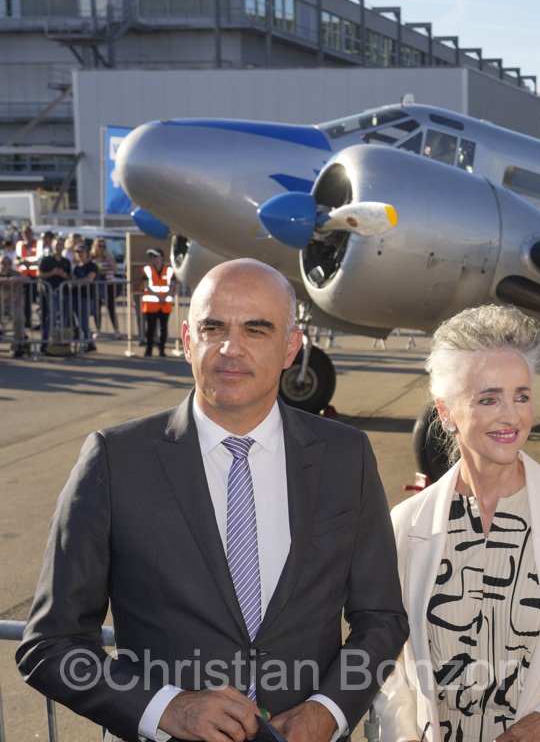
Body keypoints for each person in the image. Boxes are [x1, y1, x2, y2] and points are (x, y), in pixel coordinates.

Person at [17, 258, 408, 742]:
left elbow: (382, 620)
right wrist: (166, 708)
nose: (230, 348)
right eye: (213, 327)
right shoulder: (116, 460)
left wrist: (328, 710)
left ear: (291, 347)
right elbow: (51, 644)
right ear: (186, 340)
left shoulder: (347, 456)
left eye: (256, 330)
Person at [377, 304, 540, 742]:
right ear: (445, 412)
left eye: (522, 396)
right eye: (488, 398)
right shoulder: (407, 524)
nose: (511, 416)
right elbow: (391, 661)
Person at [37, 236, 70, 351]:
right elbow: (39, 275)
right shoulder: (46, 259)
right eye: (57, 244)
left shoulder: (66, 261)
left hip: (64, 294)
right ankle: (45, 344)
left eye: (61, 244)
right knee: (51, 318)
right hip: (51, 293)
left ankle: (61, 345)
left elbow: (70, 277)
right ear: (52, 245)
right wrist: (52, 272)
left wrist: (65, 276)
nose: (58, 247)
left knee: (64, 319)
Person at [142, 247, 174, 356]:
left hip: (165, 304)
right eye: (151, 256)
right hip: (151, 304)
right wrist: (159, 297)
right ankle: (148, 349)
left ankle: (162, 350)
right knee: (150, 328)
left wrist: (164, 297)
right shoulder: (147, 269)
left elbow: (172, 286)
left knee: (163, 328)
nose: (153, 258)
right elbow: (146, 286)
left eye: (155, 256)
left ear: (162, 257)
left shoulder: (169, 270)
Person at [70, 242, 100, 352]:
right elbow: (72, 280)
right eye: (77, 252)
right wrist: (78, 282)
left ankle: (89, 343)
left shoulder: (92, 266)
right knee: (78, 322)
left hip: (86, 297)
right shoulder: (76, 267)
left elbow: (88, 279)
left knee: (84, 322)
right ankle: (87, 342)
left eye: (82, 252)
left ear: (87, 253)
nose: (79, 254)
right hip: (75, 296)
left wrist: (77, 282)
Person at [0, 254, 30, 357]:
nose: (3, 266)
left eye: (6, 264)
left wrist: (15, 280)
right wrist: (4, 281)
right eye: (1, 264)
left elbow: (27, 278)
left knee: (19, 318)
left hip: (13, 303)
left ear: (10, 265)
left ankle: (16, 345)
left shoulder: (14, 273)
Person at [92, 236, 120, 333]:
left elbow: (115, 269)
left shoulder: (109, 257)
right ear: (95, 246)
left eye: (104, 246)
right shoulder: (92, 258)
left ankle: (116, 330)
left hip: (109, 284)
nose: (102, 248)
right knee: (97, 308)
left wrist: (108, 257)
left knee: (111, 308)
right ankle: (98, 330)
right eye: (99, 246)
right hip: (97, 285)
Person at [15, 227, 39, 330]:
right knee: (25, 300)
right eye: (24, 232)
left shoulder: (38, 244)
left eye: (28, 232)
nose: (26, 234)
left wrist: (30, 263)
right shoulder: (19, 244)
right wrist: (21, 262)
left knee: (36, 299)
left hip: (35, 276)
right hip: (23, 276)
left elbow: (39, 258)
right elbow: (16, 260)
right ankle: (27, 320)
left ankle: (40, 319)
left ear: (32, 233)